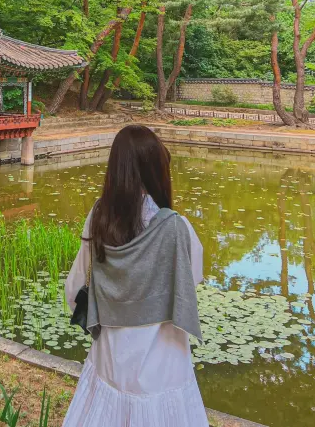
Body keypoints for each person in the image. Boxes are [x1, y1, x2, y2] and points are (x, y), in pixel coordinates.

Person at [63, 124, 208, 427]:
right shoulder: (177, 228)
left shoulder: (98, 217)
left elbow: (74, 290)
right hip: (164, 367)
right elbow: (191, 280)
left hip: (110, 361)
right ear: (158, 170)